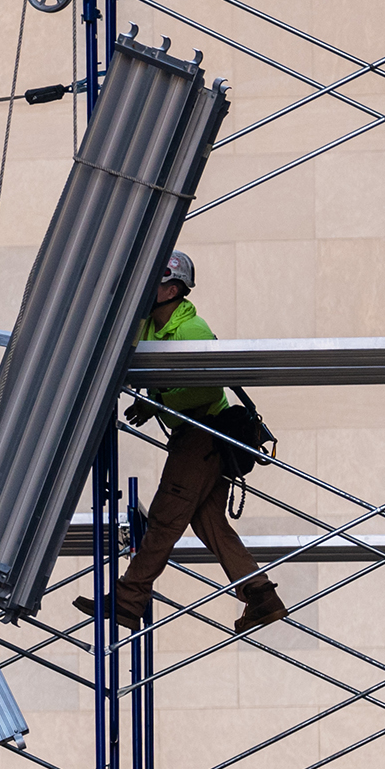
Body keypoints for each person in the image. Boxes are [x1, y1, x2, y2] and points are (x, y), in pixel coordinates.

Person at [75, 252, 288, 634]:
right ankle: (261, 597)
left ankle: (129, 599)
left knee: (163, 520)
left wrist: (158, 396)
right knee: (210, 525)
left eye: (152, 285)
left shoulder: (192, 332)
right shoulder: (153, 327)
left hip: (202, 435)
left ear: (172, 289)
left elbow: (207, 386)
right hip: (193, 437)